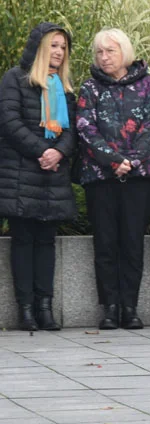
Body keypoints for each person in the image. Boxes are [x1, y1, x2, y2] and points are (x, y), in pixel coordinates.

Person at [73, 29, 150, 330]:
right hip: (101, 176)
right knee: (106, 243)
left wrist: (132, 160)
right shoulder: (89, 87)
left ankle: (130, 307)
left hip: (138, 177)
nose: (104, 57)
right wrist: (113, 161)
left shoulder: (148, 85)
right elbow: (86, 128)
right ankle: (110, 307)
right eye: (99, 52)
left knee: (132, 243)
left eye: (109, 51)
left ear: (124, 52)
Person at [0, 22, 77, 332]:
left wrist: (58, 152)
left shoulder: (65, 86)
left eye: (63, 47)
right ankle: (27, 309)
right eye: (54, 45)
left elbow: (72, 131)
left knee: (46, 241)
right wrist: (42, 152)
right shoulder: (14, 80)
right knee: (23, 239)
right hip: (21, 172)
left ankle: (45, 307)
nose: (58, 52)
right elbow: (9, 122)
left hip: (52, 174)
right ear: (39, 47)